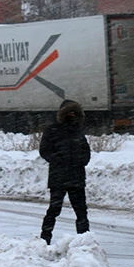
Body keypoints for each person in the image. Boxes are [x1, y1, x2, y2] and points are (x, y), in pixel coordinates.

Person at [38, 100, 91, 244]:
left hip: (71, 177)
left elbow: (86, 151)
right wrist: (60, 160)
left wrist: (81, 161)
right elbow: (45, 151)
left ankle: (83, 240)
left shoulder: (76, 130)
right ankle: (45, 239)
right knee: (57, 209)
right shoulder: (53, 130)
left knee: (79, 210)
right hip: (62, 177)